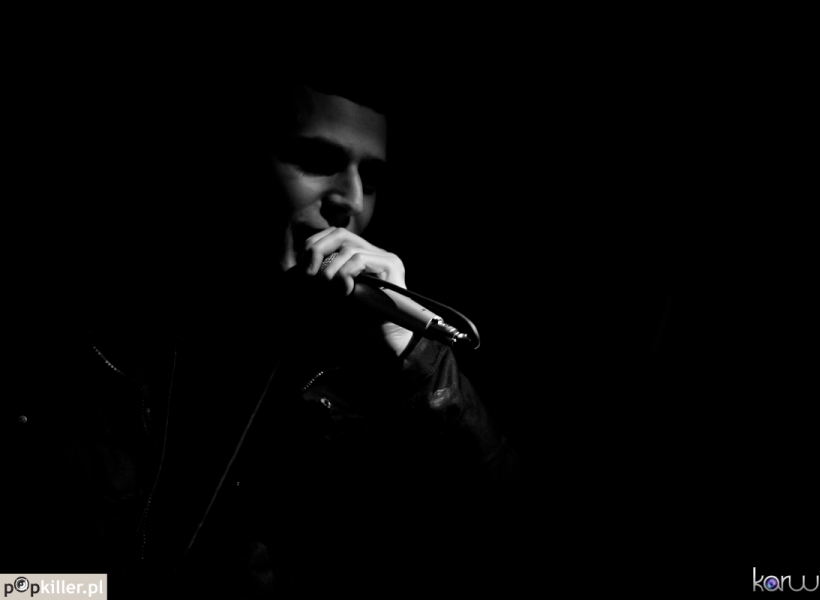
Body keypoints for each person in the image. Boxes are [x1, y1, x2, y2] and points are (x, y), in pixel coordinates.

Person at [6, 63, 524, 597]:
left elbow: (506, 540)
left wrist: (413, 360)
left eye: (370, 180)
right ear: (233, 161)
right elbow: (23, 585)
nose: (350, 200)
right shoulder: (98, 350)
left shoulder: (372, 365)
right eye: (317, 162)